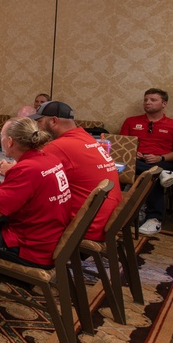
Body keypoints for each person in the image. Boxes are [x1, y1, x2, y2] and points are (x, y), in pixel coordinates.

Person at [0, 117, 72, 317]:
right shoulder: (48, 158)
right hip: (48, 236)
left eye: (2, 137)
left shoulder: (27, 168)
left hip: (30, 246)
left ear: (10, 141)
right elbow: (23, 196)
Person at [30, 101, 120, 242]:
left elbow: (29, 176)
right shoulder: (86, 137)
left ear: (53, 121)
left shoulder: (58, 146)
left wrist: (8, 169)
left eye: (40, 121)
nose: (37, 127)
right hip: (104, 220)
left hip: (84, 227)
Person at [120, 88, 173, 234]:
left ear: (164, 104)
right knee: (118, 165)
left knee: (154, 174)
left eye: (153, 100)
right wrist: (132, 151)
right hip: (135, 160)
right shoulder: (131, 121)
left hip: (161, 161)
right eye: (146, 99)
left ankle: (154, 220)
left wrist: (160, 157)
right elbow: (122, 144)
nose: (147, 103)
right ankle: (164, 174)